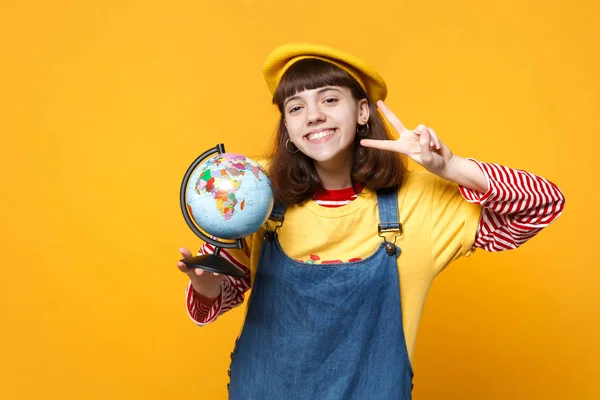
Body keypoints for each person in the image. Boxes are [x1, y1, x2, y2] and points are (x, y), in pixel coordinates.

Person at [177, 43, 565, 399]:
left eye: (329, 99)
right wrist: (208, 284)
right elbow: (209, 305)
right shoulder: (253, 188)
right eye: (296, 107)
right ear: (288, 128)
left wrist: (452, 166)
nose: (313, 116)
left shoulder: (420, 199)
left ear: (363, 111)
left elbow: (543, 205)